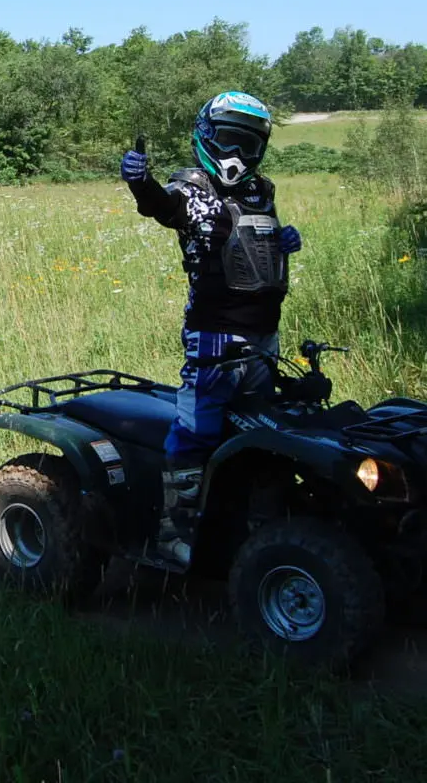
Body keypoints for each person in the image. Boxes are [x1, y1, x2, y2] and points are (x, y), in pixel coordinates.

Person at [122, 91, 303, 570]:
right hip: (216, 334)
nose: (238, 155)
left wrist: (285, 240)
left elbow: (259, 238)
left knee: (262, 429)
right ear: (207, 137)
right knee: (196, 431)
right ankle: (173, 535)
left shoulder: (260, 189)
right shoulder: (195, 185)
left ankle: (257, 527)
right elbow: (166, 207)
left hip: (265, 335)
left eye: (248, 144)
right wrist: (142, 185)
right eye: (229, 140)